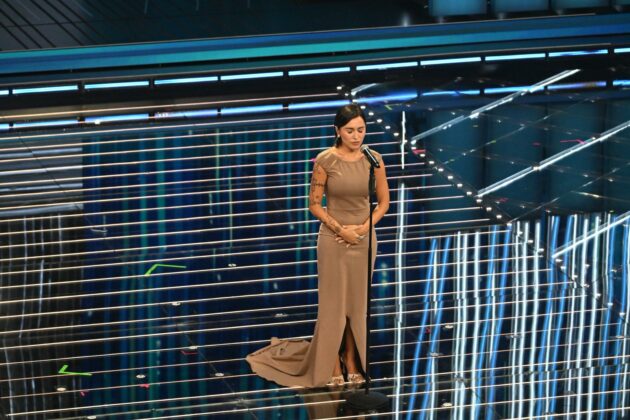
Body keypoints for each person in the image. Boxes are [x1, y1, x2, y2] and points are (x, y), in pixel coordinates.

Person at [246, 104, 390, 388]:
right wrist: (341, 229)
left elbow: (384, 202)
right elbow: (314, 205)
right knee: (333, 306)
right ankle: (331, 361)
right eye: (350, 130)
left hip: (364, 241)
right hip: (333, 241)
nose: (356, 136)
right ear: (338, 131)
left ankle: (352, 359)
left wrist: (362, 229)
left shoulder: (374, 159)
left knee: (357, 306)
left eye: (361, 130)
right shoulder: (326, 160)